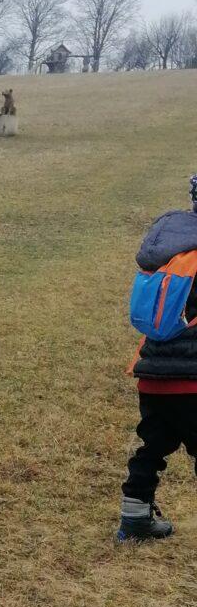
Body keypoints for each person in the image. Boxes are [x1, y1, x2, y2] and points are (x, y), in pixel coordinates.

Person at [118, 174, 197, 541]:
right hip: (192, 380)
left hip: (153, 378)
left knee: (152, 448)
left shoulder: (172, 248)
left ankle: (134, 518)